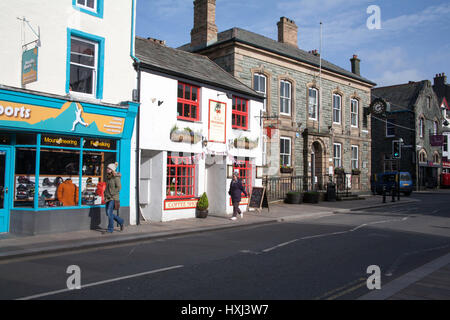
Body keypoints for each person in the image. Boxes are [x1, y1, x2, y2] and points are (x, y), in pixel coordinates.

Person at [104, 162, 124, 233]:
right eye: (107, 168)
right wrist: (105, 194)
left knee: (109, 213)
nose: (107, 169)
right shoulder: (108, 177)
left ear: (112, 170)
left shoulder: (116, 177)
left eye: (109, 168)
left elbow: (119, 187)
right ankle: (121, 221)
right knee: (108, 213)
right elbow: (107, 188)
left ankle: (110, 229)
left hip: (113, 198)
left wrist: (112, 194)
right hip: (107, 198)